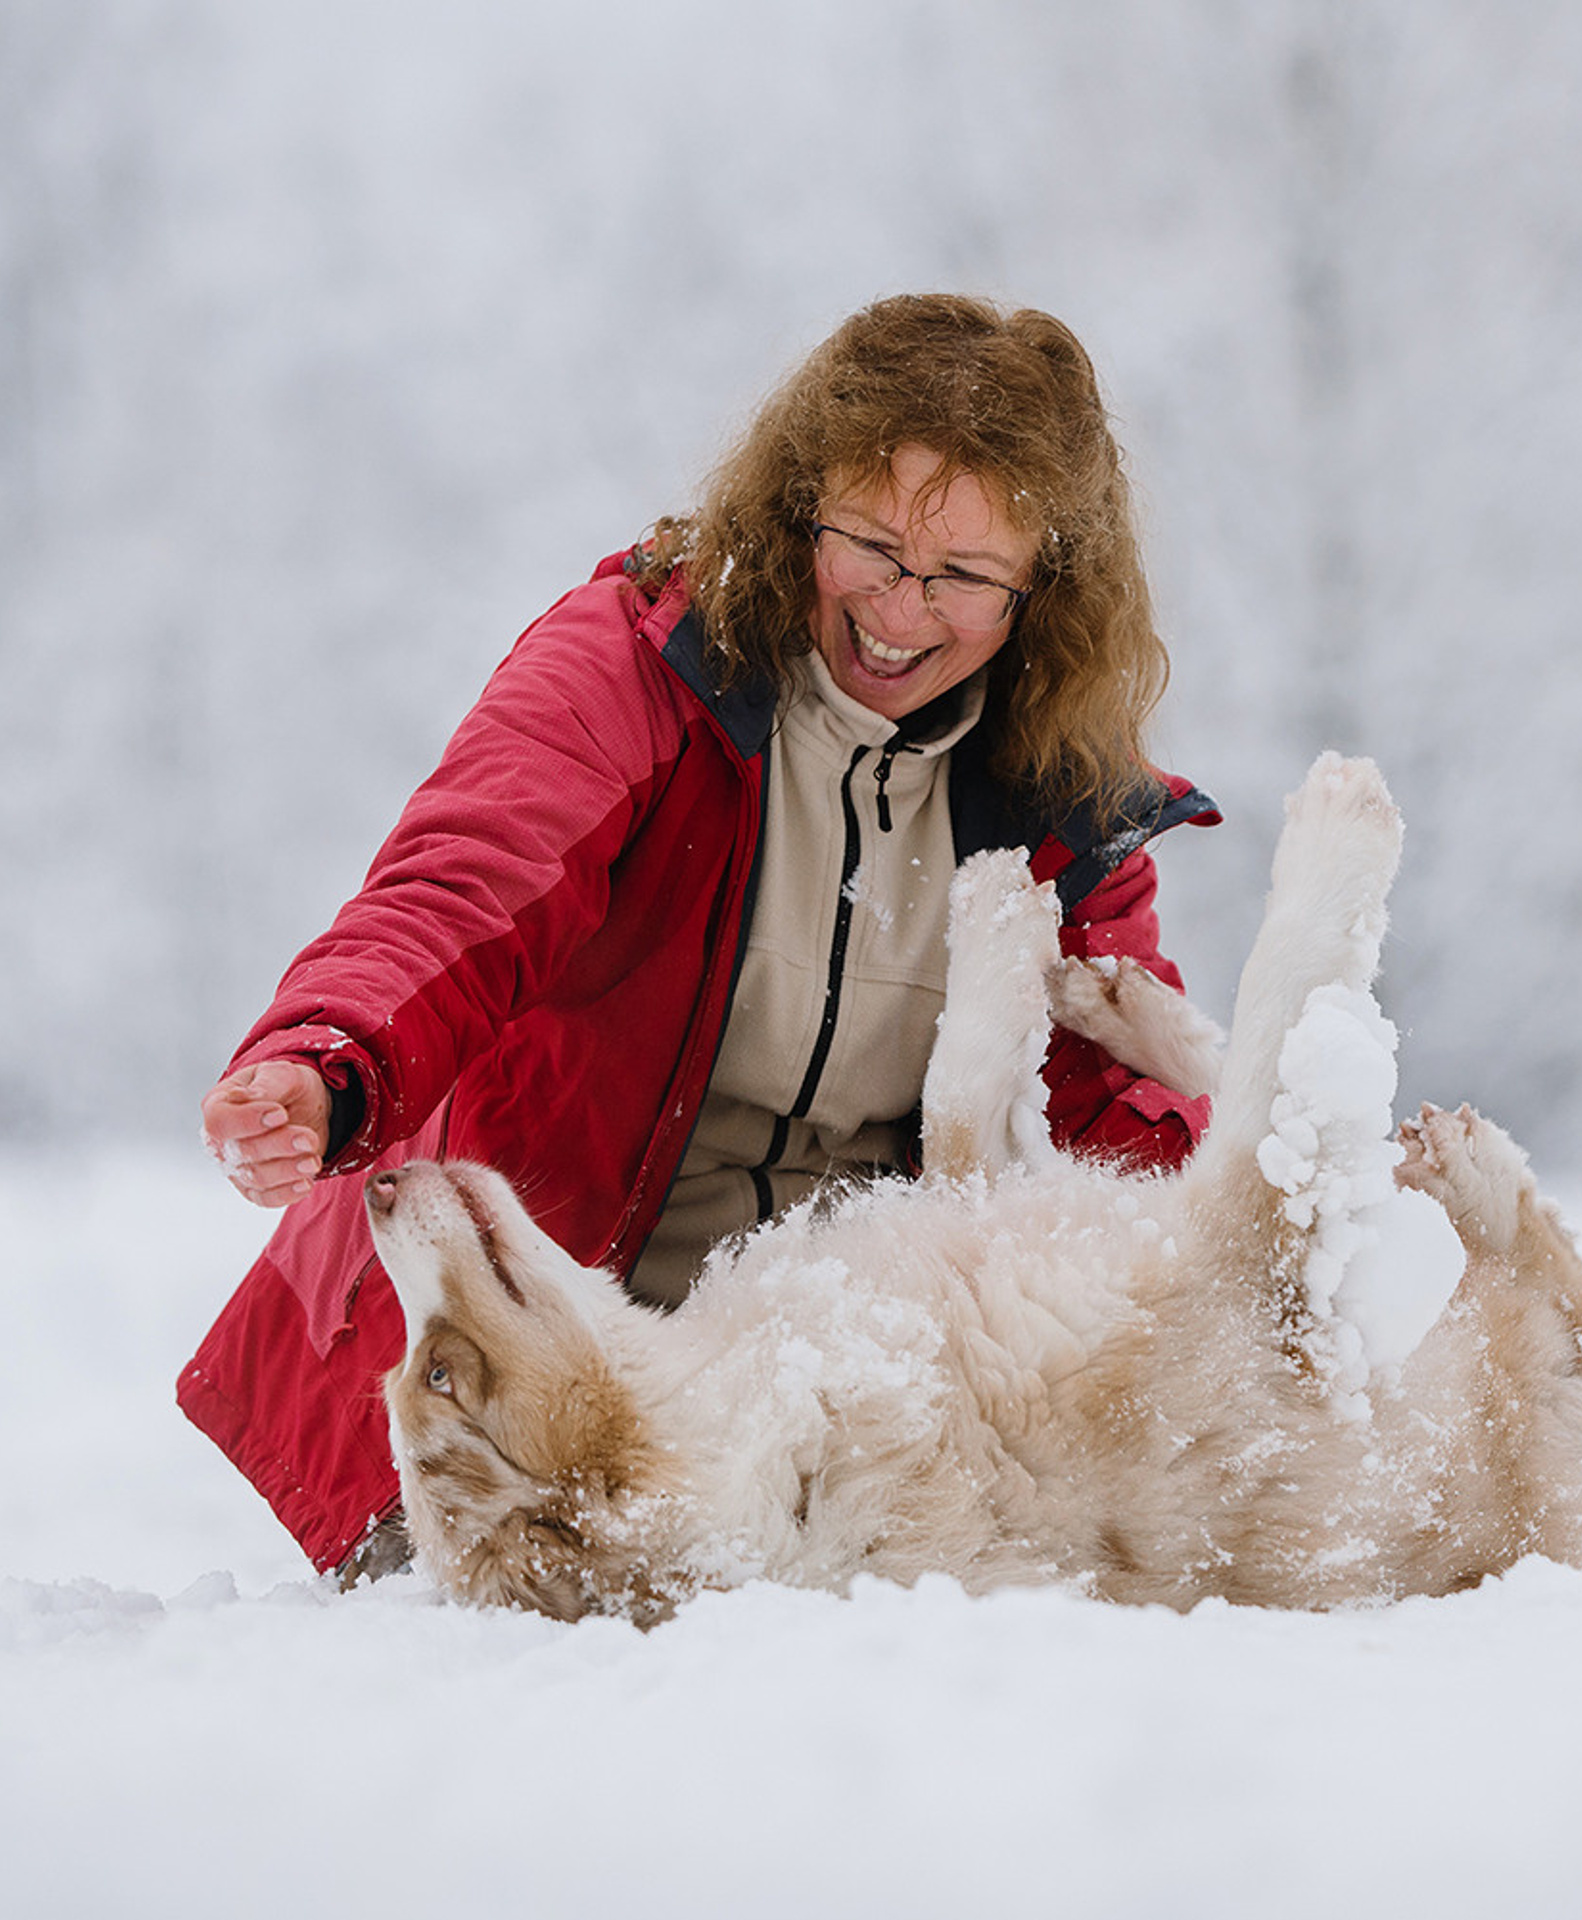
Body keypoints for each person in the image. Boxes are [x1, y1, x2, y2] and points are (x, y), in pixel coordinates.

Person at [184, 293, 1219, 1579]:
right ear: (800, 509)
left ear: (1039, 590)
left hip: (840, 1405)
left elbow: (1110, 1125)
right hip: (562, 1365)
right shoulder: (643, 665)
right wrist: (328, 1053)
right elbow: (466, 885)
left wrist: (1263, 1224)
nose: (902, 611)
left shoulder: (1061, 796)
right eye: (874, 547)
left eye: (962, 576)